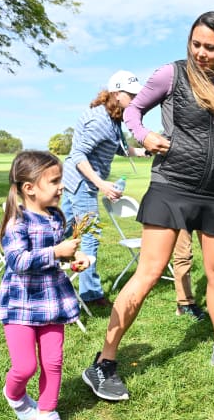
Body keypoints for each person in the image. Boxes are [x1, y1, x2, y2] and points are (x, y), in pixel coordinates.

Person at [82, 11, 214, 401]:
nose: (201, 53)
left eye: (210, 47)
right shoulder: (172, 74)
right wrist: (144, 135)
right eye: (196, 44)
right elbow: (133, 111)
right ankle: (104, 363)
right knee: (150, 273)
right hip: (172, 186)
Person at [0, 151, 90, 420]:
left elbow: (63, 250)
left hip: (52, 300)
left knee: (53, 362)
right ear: (29, 189)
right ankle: (14, 395)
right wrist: (57, 252)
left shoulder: (55, 217)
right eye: (54, 181)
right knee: (25, 367)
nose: (61, 186)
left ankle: (48, 411)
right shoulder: (17, 222)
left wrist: (76, 255)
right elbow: (17, 260)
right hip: (21, 303)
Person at [60, 70, 147, 308]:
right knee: (90, 236)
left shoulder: (113, 117)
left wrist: (143, 150)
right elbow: (78, 155)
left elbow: (117, 146)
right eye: (131, 95)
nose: (135, 99)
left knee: (60, 229)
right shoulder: (99, 120)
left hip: (78, 181)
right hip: (82, 183)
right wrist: (101, 184)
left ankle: (39, 265)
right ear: (117, 94)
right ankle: (90, 293)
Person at [173, 229, 207, 320]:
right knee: (183, 255)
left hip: (206, 214)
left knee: (211, 253)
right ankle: (184, 304)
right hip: (181, 216)